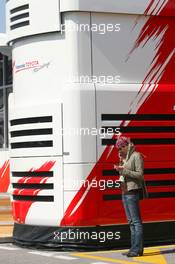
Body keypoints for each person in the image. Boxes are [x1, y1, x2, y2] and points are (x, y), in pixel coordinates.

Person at [114, 136, 148, 257]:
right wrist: (120, 166)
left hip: (132, 192)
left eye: (121, 147)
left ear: (127, 146)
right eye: (119, 148)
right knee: (131, 222)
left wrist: (124, 171)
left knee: (136, 222)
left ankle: (136, 249)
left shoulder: (136, 156)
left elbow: (140, 175)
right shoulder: (125, 157)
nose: (120, 150)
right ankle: (135, 248)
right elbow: (124, 173)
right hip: (125, 192)